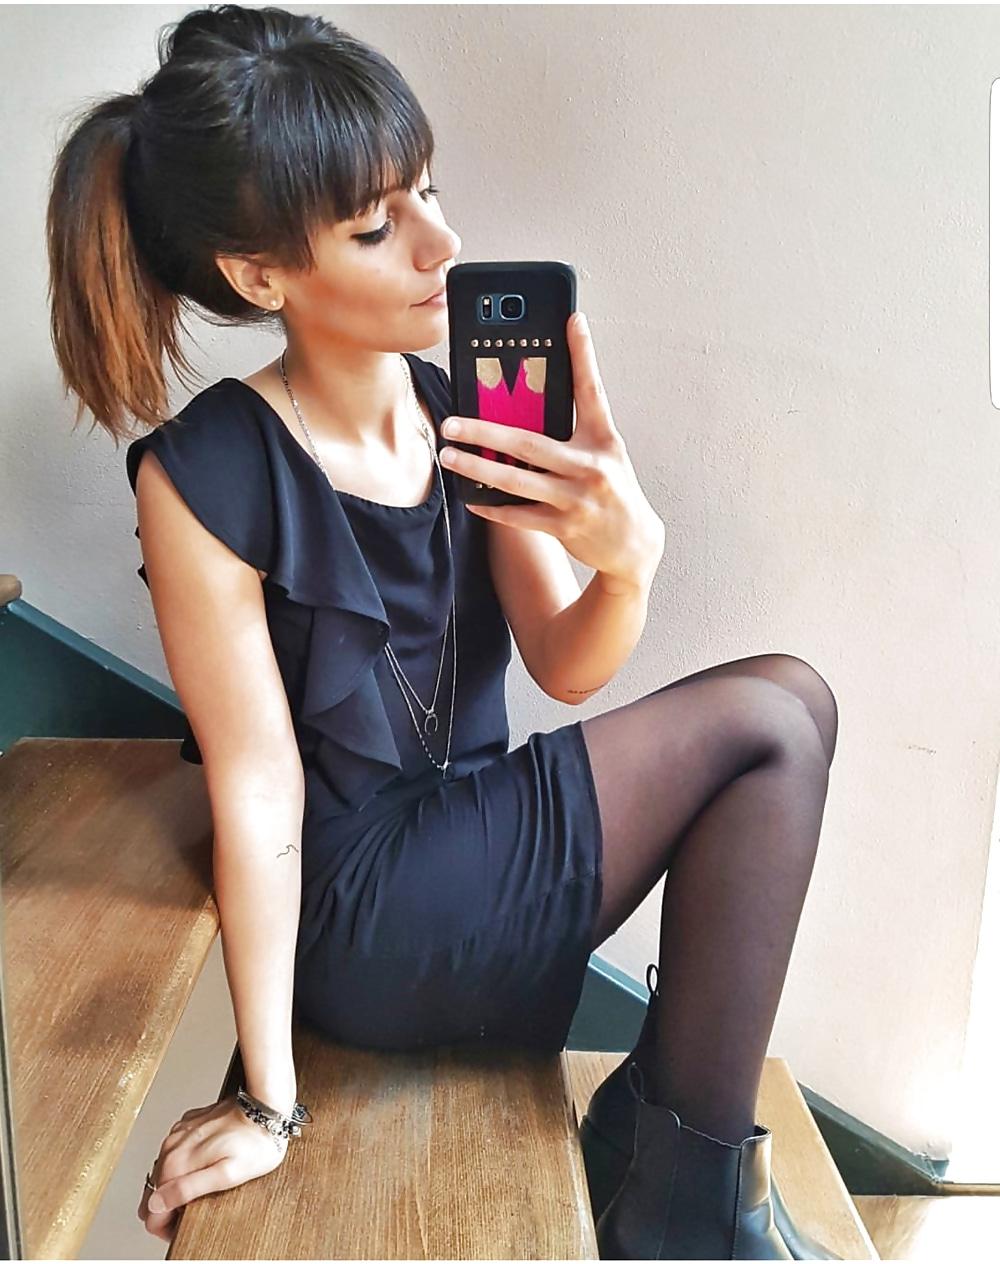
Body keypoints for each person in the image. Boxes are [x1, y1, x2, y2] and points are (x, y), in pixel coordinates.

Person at [45, 5, 839, 1258]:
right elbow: (257, 789)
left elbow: (565, 664)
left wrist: (628, 561)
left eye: (427, 189)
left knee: (799, 704)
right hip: (366, 908)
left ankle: (670, 1156)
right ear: (260, 276)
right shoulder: (203, 473)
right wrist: (267, 1093)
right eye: (377, 226)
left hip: (474, 846)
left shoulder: (458, 408)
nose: (441, 243)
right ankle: (681, 1196)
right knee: (768, 721)